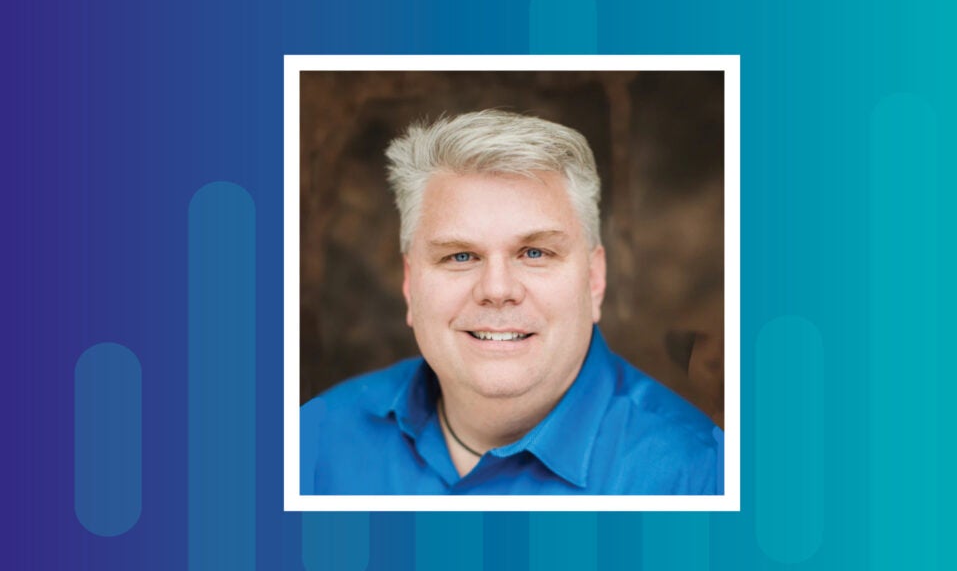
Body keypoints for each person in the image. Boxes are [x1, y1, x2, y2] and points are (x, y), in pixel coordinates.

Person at [301, 110, 722, 495]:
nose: (497, 289)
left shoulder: (699, 476)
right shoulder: (314, 442)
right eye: (460, 256)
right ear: (411, 283)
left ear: (594, 280)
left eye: (535, 252)